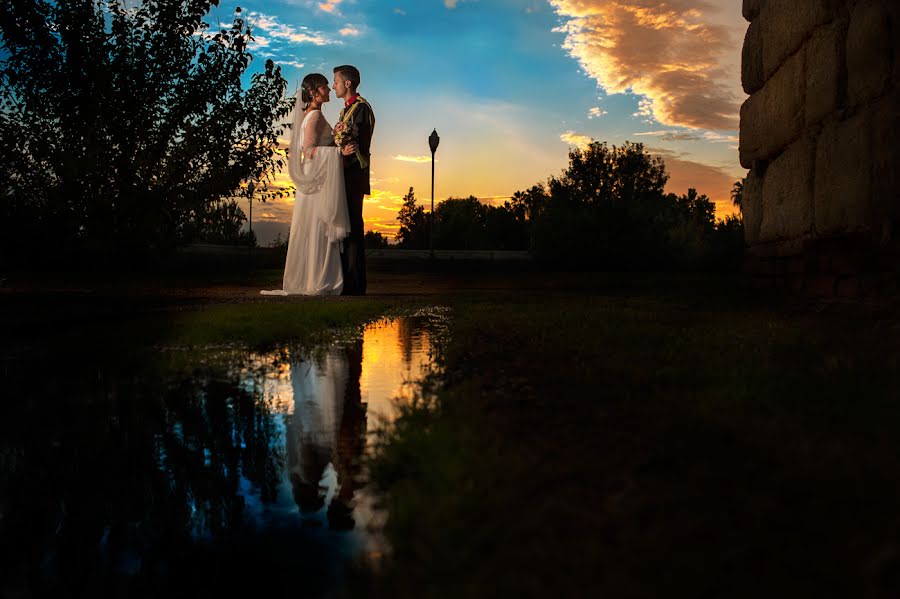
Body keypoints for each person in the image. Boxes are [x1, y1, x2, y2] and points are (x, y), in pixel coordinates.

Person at [261, 73, 358, 296]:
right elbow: (309, 152)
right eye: (324, 86)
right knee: (319, 225)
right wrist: (338, 152)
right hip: (316, 179)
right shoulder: (313, 117)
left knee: (316, 226)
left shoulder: (311, 114)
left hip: (316, 177)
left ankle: (312, 276)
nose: (329, 89)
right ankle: (319, 279)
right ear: (314, 92)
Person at [332, 65, 375, 296]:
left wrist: (343, 154)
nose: (333, 85)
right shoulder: (346, 110)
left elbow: (358, 146)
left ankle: (356, 285)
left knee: (353, 228)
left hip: (354, 176)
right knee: (345, 228)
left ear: (347, 83)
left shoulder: (361, 108)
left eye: (336, 81)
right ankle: (346, 281)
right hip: (344, 174)